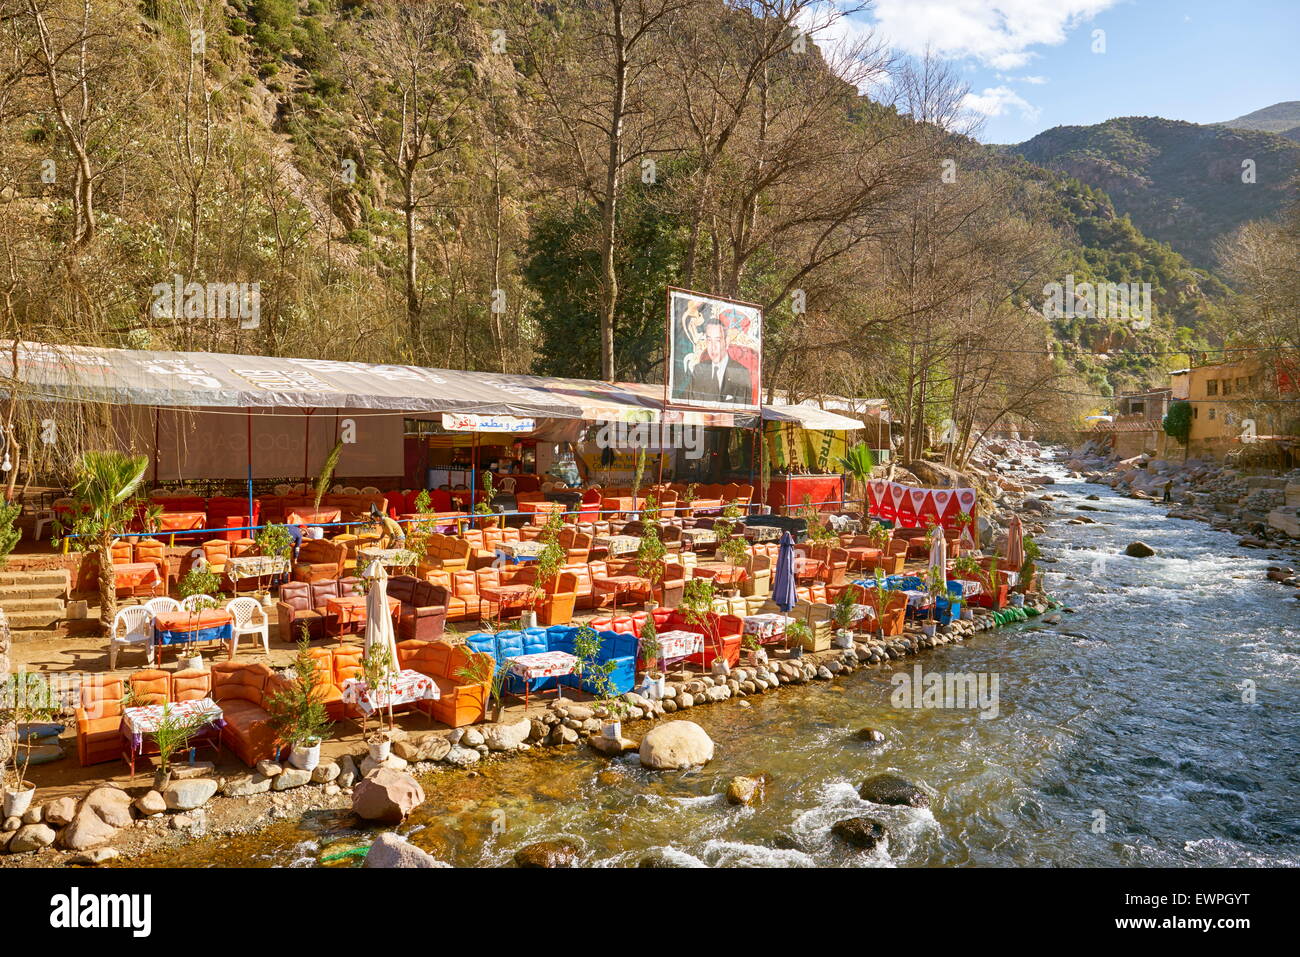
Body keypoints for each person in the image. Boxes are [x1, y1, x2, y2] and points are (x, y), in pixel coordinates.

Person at [685, 316, 754, 404]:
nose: (713, 347)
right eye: (709, 340)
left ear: (726, 342)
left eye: (717, 340)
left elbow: (746, 413)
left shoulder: (741, 372)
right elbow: (685, 400)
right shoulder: (699, 369)